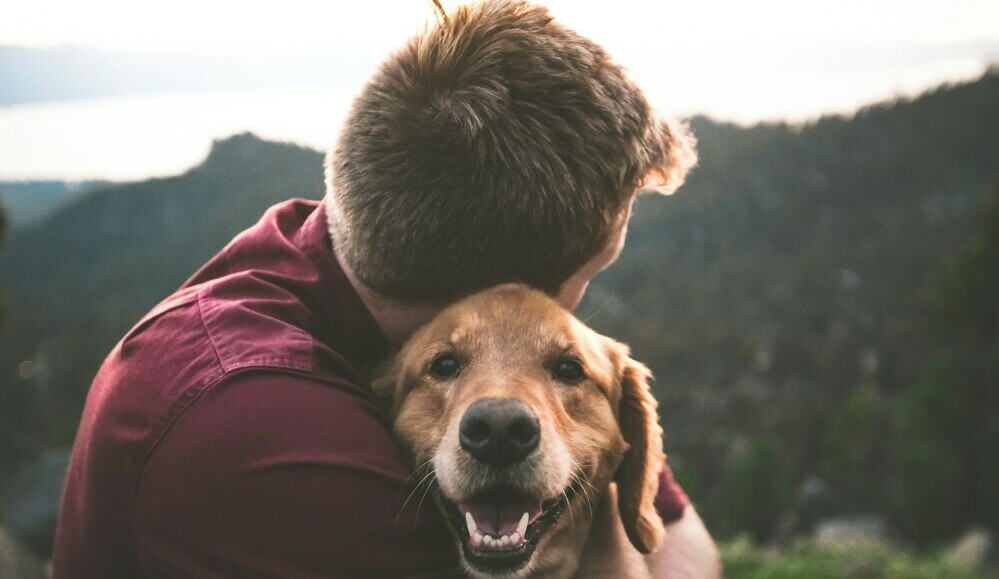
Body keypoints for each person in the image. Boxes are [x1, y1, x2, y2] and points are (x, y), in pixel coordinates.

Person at [52, 1, 720, 577]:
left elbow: (683, 541)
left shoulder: (328, 250)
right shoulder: (259, 431)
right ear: (503, 292)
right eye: (589, 275)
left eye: (561, 358)